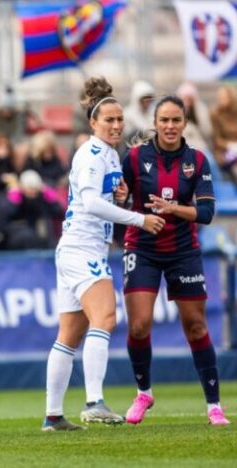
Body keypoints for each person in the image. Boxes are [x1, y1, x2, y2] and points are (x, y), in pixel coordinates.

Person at [42, 77, 165, 431]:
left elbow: (99, 199)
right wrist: (139, 219)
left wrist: (123, 197)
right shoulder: (92, 153)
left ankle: (52, 416)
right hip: (83, 247)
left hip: (75, 247)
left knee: (69, 334)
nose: (115, 125)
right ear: (93, 123)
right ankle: (94, 401)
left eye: (119, 119)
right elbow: (92, 203)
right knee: (106, 318)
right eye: (108, 120)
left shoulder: (109, 155)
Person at [121, 96, 229, 426]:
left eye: (176, 120)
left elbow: (208, 213)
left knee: (195, 326)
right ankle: (144, 393)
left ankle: (214, 406)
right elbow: (121, 199)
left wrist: (174, 210)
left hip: (183, 250)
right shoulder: (136, 157)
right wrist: (119, 198)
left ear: (185, 124)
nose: (170, 126)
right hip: (142, 248)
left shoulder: (197, 160)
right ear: (155, 123)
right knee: (139, 326)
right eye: (164, 120)